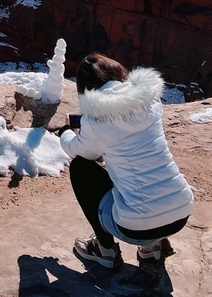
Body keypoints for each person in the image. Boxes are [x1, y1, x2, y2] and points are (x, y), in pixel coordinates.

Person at [55, 53, 194, 269]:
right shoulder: (150, 101)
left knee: (81, 168)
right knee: (139, 167)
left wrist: (66, 131)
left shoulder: (96, 118)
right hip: (180, 213)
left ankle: (105, 250)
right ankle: (152, 248)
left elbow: (82, 152)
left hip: (136, 227)